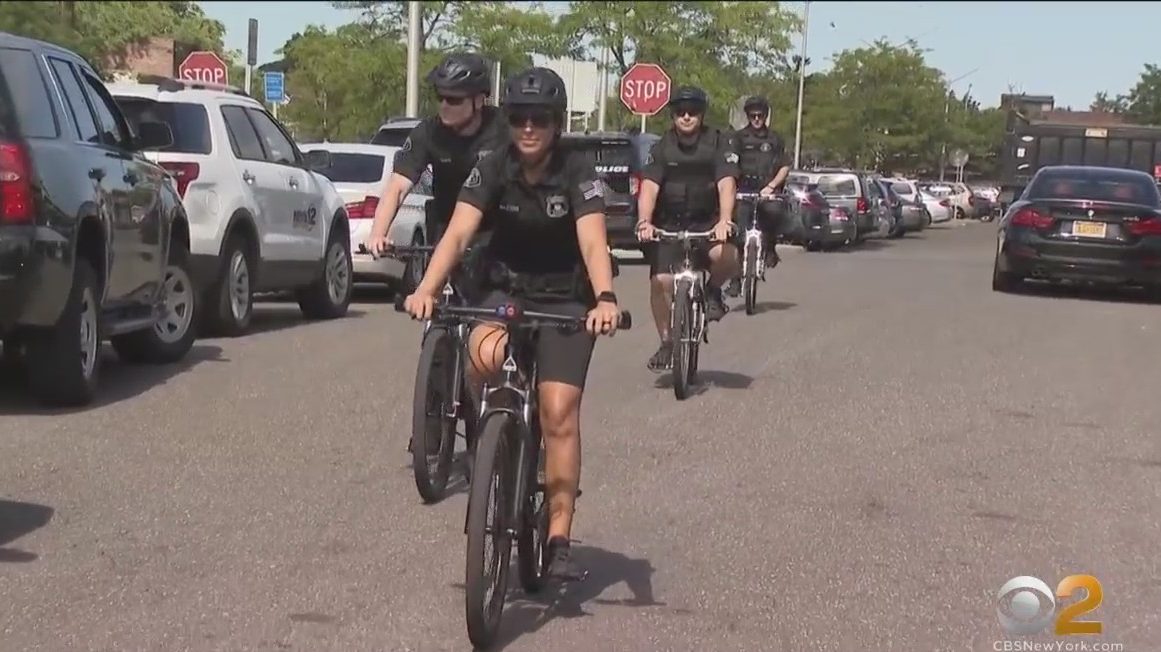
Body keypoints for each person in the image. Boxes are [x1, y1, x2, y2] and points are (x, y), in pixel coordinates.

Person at [402, 67, 623, 581]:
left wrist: (605, 298)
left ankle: (559, 533)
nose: (528, 128)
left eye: (539, 119)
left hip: (567, 299)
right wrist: (427, 289)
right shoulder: (493, 164)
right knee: (482, 356)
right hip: (505, 288)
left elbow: (593, 241)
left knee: (558, 411)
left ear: (556, 123)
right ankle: (495, 442)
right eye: (519, 117)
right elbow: (459, 233)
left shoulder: (577, 168)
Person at [635, 85, 740, 371]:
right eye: (680, 111)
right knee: (660, 282)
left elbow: (727, 184)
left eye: (692, 111)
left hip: (708, 222)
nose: (686, 116)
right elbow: (649, 188)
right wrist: (644, 221)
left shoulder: (718, 143)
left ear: (701, 114)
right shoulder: (662, 147)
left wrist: (724, 220)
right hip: (670, 223)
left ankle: (714, 291)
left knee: (727, 257)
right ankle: (667, 343)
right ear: (673, 115)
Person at [363, 52, 507, 255]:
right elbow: (397, 187)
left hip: (499, 233)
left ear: (479, 100)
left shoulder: (506, 128)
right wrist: (378, 234)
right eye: (440, 98)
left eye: (454, 99)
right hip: (447, 231)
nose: (444, 106)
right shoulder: (428, 132)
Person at [727, 96, 791, 296]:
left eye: (760, 115)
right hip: (744, 190)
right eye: (753, 115)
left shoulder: (775, 139)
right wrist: (731, 188)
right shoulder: (738, 138)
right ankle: (735, 279)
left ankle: (770, 247)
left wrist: (772, 186)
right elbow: (729, 165)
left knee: (775, 214)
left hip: (767, 189)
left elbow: (784, 166)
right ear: (748, 116)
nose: (756, 119)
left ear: (765, 116)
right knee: (737, 234)